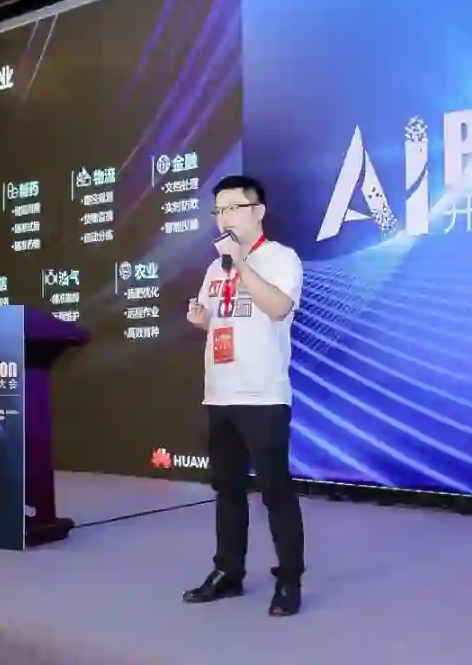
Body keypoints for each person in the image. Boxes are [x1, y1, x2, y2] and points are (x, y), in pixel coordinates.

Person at [182, 174, 305, 617]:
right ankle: (228, 572)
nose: (224, 217)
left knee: (275, 491)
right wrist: (200, 318)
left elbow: (278, 308)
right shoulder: (215, 268)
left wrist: (241, 264)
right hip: (220, 393)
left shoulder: (281, 258)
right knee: (227, 490)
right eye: (219, 210)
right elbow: (217, 320)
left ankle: (289, 579)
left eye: (234, 208)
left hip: (263, 394)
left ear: (258, 211)